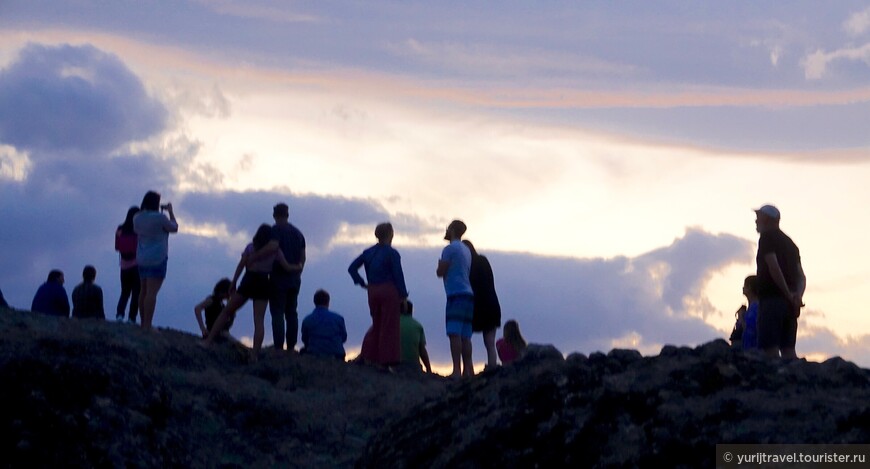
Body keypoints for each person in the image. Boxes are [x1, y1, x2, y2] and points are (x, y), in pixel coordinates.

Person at [204, 224, 300, 362]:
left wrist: (234, 282)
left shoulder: (251, 247)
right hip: (264, 282)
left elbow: (241, 264)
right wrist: (298, 266)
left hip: (249, 279)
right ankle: (254, 355)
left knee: (226, 311)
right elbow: (286, 266)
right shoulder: (275, 251)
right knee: (259, 320)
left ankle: (208, 341)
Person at [348, 222, 408, 367]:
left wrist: (361, 283)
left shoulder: (368, 252)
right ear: (390, 234)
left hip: (372, 290)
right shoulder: (392, 253)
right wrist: (403, 296)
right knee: (390, 325)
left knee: (377, 323)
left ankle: (369, 356)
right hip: (389, 290)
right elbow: (398, 275)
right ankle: (388, 360)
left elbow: (352, 268)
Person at [754, 204, 806, 359]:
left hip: (771, 300)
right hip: (790, 305)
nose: (756, 221)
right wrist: (797, 296)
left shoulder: (766, 238)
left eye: (759, 217)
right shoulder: (791, 244)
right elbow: (801, 276)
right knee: (789, 350)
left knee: (769, 350)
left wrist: (788, 295)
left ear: (767, 219)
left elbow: (773, 266)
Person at [133, 191, 178, 330]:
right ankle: (148, 325)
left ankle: (142, 323)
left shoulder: (137, 217)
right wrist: (170, 212)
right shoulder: (160, 218)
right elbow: (174, 228)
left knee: (143, 291)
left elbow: (136, 231)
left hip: (141, 257)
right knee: (151, 293)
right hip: (157, 257)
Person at [436, 220, 474, 378]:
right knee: (465, 335)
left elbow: (440, 272)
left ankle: (457, 370)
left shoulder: (449, 249)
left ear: (451, 230)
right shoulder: (466, 250)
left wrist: (439, 266)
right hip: (468, 294)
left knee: (454, 333)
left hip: (455, 294)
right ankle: (467, 371)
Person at [463, 240, 502, 369]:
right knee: (490, 344)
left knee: (465, 338)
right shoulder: (483, 260)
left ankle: (468, 370)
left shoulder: (467, 265)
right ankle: (492, 367)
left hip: (474, 306)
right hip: (491, 305)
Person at [300, 289, 347, 360]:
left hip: (314, 353)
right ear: (328, 302)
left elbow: (305, 339)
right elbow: (344, 338)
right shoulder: (339, 318)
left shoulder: (307, 320)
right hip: (337, 354)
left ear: (314, 302)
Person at [115, 206, 140, 322]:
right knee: (136, 293)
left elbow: (116, 247)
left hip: (124, 265)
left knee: (124, 292)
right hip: (137, 264)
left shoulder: (120, 228)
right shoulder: (139, 229)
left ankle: (119, 315)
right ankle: (132, 318)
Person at [399, 300, 432, 373]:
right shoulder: (417, 325)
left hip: (395, 365)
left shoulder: (392, 324)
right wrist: (429, 369)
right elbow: (422, 350)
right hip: (414, 366)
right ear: (412, 311)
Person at [741, 275, 760, 350]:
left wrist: (741, 318)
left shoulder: (755, 308)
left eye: (745, 285)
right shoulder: (752, 307)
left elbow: (749, 328)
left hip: (753, 349)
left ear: (750, 288)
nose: (743, 288)